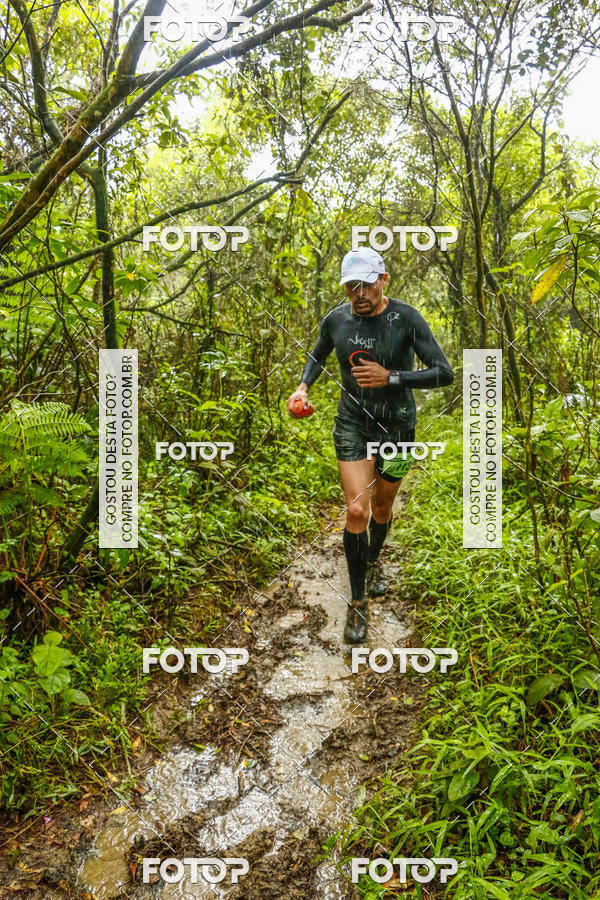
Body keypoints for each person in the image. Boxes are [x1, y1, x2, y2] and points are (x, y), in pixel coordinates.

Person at [287, 247, 454, 644]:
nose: (358, 293)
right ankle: (358, 601)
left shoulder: (408, 319)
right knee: (357, 508)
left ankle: (374, 560)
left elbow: (443, 373)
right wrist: (303, 386)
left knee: (381, 506)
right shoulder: (336, 320)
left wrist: (392, 377)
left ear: (384, 280)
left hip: (397, 425)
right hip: (353, 423)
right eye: (351, 286)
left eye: (366, 284)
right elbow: (319, 352)